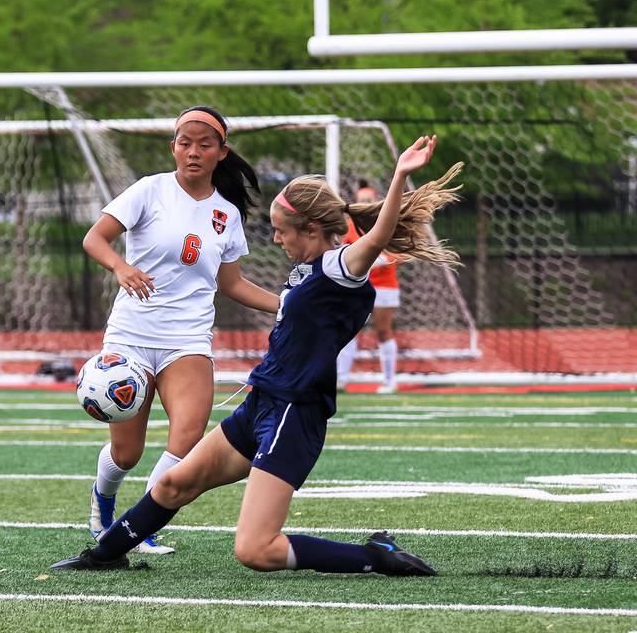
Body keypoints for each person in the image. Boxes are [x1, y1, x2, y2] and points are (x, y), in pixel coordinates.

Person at [51, 135, 462, 576]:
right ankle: (101, 556)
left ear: (309, 228)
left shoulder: (340, 266)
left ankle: (374, 556)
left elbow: (378, 235)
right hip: (262, 402)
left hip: (294, 413)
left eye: (281, 229)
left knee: (256, 550)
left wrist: (400, 174)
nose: (274, 237)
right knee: (174, 482)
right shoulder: (307, 269)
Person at [80, 105, 279, 554]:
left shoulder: (226, 213)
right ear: (173, 147)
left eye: (204, 145)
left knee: (188, 439)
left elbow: (231, 284)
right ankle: (103, 501)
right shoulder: (149, 190)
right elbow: (94, 238)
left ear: (221, 153)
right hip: (130, 335)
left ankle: (139, 527)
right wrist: (121, 266)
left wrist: (287, 305)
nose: (193, 152)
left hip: (187, 339)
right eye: (185, 143)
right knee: (126, 454)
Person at [336, 181, 401, 394]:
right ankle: (341, 380)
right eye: (361, 200)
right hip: (357, 285)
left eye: (369, 200)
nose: (364, 204)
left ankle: (390, 381)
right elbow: (345, 252)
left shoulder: (386, 221)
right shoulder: (350, 226)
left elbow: (393, 255)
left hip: (384, 286)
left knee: (383, 331)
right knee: (349, 330)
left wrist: (372, 260)